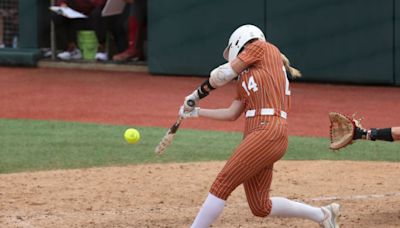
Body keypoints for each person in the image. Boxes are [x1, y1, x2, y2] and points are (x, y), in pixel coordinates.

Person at [179, 24, 340, 228]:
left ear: (240, 41)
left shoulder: (261, 47)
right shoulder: (247, 76)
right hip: (261, 134)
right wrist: (196, 112)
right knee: (260, 206)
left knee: (222, 184)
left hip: (267, 130)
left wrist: (196, 94)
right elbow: (231, 113)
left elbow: (221, 75)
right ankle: (323, 215)